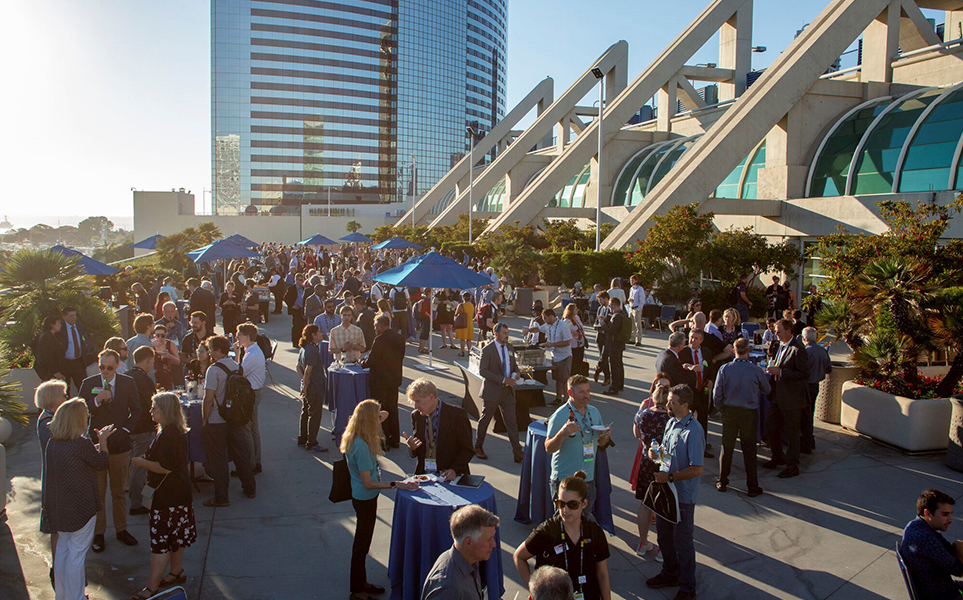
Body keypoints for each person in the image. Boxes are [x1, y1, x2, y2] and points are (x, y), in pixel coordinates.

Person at [342, 400, 418, 600]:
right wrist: (395, 484)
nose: (380, 421)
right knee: (361, 545)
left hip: (361, 496)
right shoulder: (362, 446)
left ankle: (361, 582)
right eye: (376, 419)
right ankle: (357, 591)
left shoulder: (355, 435)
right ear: (369, 421)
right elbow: (368, 482)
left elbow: (385, 413)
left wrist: (372, 412)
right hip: (365, 498)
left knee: (363, 543)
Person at [42, 399, 113, 600]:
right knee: (76, 556)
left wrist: (96, 445)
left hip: (59, 508)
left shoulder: (53, 443)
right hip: (81, 509)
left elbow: (83, 457)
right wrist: (104, 442)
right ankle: (77, 597)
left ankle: (63, 596)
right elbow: (101, 462)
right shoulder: (81, 444)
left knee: (63, 553)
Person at [129, 392, 197, 600]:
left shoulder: (168, 434)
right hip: (178, 496)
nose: (151, 411)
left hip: (168, 498)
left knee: (160, 543)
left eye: (154, 408)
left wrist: (140, 463)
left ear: (164, 411)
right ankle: (177, 571)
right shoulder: (170, 430)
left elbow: (165, 467)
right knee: (176, 538)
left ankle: (152, 587)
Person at [645, 385, 705, 600]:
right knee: (664, 536)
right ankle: (670, 573)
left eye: (672, 402)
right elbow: (668, 456)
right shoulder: (671, 422)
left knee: (683, 542)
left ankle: (688, 587)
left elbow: (697, 468)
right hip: (666, 491)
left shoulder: (694, 431)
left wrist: (670, 477)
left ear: (685, 405)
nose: (667, 404)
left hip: (682, 496)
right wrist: (657, 454)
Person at [78, 348, 141, 553]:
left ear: (117, 366)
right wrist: (96, 401)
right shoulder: (89, 384)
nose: (105, 371)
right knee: (98, 492)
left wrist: (125, 430)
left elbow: (137, 410)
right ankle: (99, 533)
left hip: (119, 445)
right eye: (101, 367)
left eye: (109, 368)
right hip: (96, 446)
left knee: (118, 492)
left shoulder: (127, 382)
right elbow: (80, 411)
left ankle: (121, 529)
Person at [513, 472, 611, 600]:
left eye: (572, 505)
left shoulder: (594, 532)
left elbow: (602, 574)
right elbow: (519, 557)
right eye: (561, 504)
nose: (565, 510)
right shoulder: (546, 531)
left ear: (584, 504)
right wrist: (535, 590)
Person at [201, 335, 256, 506]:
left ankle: (221, 497)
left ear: (218, 350)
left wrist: (204, 419)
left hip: (217, 419)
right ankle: (250, 488)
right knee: (240, 455)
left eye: (211, 349)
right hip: (234, 418)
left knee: (218, 460)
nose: (210, 352)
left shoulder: (213, 370)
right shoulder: (236, 366)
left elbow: (208, 398)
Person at [545, 374, 611, 516]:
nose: (586, 395)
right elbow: (548, 448)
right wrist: (562, 433)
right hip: (565, 482)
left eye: (587, 391)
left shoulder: (594, 412)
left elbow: (600, 443)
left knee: (585, 521)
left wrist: (605, 437)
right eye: (581, 392)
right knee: (564, 521)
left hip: (588, 480)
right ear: (570, 393)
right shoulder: (560, 415)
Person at [713, 338, 770, 497]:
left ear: (734, 351)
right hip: (748, 412)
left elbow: (717, 395)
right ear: (749, 350)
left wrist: (722, 409)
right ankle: (752, 486)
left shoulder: (725, 369)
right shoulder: (756, 370)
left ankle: (722, 481)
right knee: (749, 450)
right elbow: (767, 388)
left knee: (727, 447)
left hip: (730, 411)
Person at [763, 319, 811, 479]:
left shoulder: (798, 349)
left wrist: (781, 372)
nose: (776, 334)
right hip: (777, 396)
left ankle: (792, 465)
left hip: (792, 399)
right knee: (770, 426)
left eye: (779, 331)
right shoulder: (778, 346)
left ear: (789, 331)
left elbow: (804, 374)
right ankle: (777, 456)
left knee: (792, 433)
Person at [422, 505, 500, 600]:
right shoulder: (448, 586)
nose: (494, 544)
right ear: (469, 542)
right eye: (489, 540)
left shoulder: (470, 559)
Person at [403, 378, 474, 480]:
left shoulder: (457, 415)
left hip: (450, 476)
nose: (415, 406)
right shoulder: (416, 416)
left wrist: (454, 470)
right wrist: (412, 448)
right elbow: (418, 450)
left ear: (431, 397)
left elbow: (467, 449)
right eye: (414, 402)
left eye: (418, 401)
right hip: (425, 476)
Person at [631, 380, 670, 559]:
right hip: (665, 464)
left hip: (646, 464)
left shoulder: (642, 415)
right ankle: (663, 548)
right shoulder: (670, 419)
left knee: (645, 504)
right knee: (663, 506)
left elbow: (637, 434)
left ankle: (642, 542)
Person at [900, 489, 963, 599]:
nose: (951, 520)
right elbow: (958, 569)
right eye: (945, 514)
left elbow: (948, 550)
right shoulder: (925, 538)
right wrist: (959, 547)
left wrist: (958, 547)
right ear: (927, 513)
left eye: (950, 514)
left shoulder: (916, 526)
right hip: (944, 595)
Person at [35, 379, 68, 590]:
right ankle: (58, 572)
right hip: (57, 484)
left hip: (59, 480)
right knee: (58, 529)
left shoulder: (52, 418)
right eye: (63, 394)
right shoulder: (47, 422)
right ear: (52, 398)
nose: (66, 397)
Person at [476, 323, 524, 462]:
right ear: (496, 334)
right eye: (504, 333)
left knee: (512, 422)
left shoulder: (509, 347)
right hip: (492, 391)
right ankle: (478, 446)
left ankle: (517, 452)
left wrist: (517, 373)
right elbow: (483, 371)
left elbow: (513, 364)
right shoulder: (488, 350)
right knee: (485, 419)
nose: (506, 335)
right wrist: (503, 380)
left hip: (508, 392)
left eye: (507, 333)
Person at [361, 314, 405, 449]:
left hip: (380, 380)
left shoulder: (379, 340)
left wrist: (362, 363)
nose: (375, 329)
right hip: (394, 378)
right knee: (392, 408)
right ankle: (395, 439)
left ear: (380, 326)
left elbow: (372, 360)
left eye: (375, 326)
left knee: (380, 410)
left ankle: (383, 439)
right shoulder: (399, 338)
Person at [128, 346, 158, 516]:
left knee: (133, 465)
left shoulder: (125, 377)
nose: (151, 366)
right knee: (140, 466)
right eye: (151, 362)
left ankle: (135, 498)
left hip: (129, 428)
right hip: (144, 428)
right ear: (147, 360)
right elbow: (150, 405)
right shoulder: (144, 380)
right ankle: (136, 503)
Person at [524, 308, 573, 405]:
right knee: (558, 379)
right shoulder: (547, 325)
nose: (544, 320)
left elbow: (567, 342)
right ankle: (558, 398)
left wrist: (552, 344)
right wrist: (528, 330)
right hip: (555, 356)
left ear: (551, 317)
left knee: (565, 379)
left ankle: (567, 400)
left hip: (564, 356)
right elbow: (538, 329)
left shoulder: (563, 325)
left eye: (545, 318)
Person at [236, 323, 266, 473]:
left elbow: (238, 373)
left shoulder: (252, 355)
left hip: (251, 394)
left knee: (248, 429)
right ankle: (255, 461)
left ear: (247, 336)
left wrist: (236, 354)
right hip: (255, 392)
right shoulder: (252, 351)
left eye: (239, 335)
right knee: (252, 427)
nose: (237, 338)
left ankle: (252, 462)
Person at [679, 329, 713, 458]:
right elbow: (680, 367)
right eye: (691, 337)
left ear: (702, 340)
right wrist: (688, 367)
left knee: (703, 420)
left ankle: (702, 448)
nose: (693, 340)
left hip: (702, 392)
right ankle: (684, 447)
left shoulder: (706, 353)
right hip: (689, 392)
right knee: (686, 419)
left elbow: (710, 368)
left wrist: (710, 380)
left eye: (696, 338)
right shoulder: (683, 352)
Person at [297, 324, 328, 453]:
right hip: (314, 387)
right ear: (313, 335)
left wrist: (303, 383)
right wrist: (307, 384)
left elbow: (299, 367)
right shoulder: (313, 350)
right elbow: (308, 370)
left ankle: (302, 437)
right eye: (319, 332)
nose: (321, 333)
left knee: (305, 412)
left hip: (308, 386)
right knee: (315, 414)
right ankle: (312, 442)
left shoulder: (304, 348)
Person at [801, 327, 831, 455]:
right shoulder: (822, 351)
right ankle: (809, 439)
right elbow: (828, 369)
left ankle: (806, 442)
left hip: (806, 385)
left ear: (804, 339)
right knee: (810, 412)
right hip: (816, 384)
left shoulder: (806, 352)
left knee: (805, 415)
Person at [56, 306, 93, 395]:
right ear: (64, 317)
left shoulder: (80, 327)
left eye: (74, 315)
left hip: (78, 362)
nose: (74, 318)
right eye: (71, 316)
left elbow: (85, 341)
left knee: (83, 386)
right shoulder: (61, 329)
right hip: (65, 363)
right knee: (65, 389)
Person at [601, 298, 627, 396]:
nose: (610, 307)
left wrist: (603, 325)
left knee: (614, 366)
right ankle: (620, 384)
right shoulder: (623, 314)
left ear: (615, 305)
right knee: (619, 364)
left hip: (614, 344)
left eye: (611, 305)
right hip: (619, 343)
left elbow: (611, 330)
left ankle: (614, 387)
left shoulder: (616, 317)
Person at [34, 314, 65, 382]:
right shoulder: (46, 337)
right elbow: (48, 356)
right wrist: (55, 372)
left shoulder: (49, 335)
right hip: (49, 372)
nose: (60, 325)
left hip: (49, 371)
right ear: (52, 324)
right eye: (58, 323)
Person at [151, 323, 180, 391]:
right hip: (154, 375)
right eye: (157, 336)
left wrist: (169, 356)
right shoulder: (151, 344)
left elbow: (178, 361)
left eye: (162, 336)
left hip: (167, 375)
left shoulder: (170, 344)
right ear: (154, 336)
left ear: (166, 335)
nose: (160, 338)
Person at [592, 292, 611, 387]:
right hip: (600, 335)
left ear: (606, 299)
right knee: (602, 357)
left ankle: (598, 369)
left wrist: (605, 321)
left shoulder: (610, 309)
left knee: (604, 356)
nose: (600, 302)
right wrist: (595, 325)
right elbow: (596, 320)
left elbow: (612, 322)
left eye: (601, 300)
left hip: (608, 336)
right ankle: (607, 377)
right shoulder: (600, 309)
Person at [284, 272, 307, 347]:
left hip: (302, 309)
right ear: (296, 280)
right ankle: (295, 342)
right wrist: (292, 306)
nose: (301, 281)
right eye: (300, 280)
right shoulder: (292, 288)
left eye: (302, 280)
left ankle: (301, 341)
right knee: (296, 326)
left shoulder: (303, 288)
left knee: (302, 326)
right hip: (295, 309)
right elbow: (286, 298)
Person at [454, 291, 475, 357]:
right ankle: (469, 352)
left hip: (462, 323)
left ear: (463, 298)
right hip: (469, 323)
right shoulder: (471, 305)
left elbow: (456, 313)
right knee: (469, 339)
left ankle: (462, 352)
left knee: (462, 339)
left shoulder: (461, 305)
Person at [628, 275, 646, 346]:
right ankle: (632, 338)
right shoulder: (631, 288)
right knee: (631, 323)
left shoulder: (639, 289)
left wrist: (639, 308)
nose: (631, 282)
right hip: (631, 307)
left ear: (636, 280)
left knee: (637, 324)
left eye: (632, 280)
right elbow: (631, 297)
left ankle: (638, 340)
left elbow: (642, 300)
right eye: (630, 280)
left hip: (637, 308)